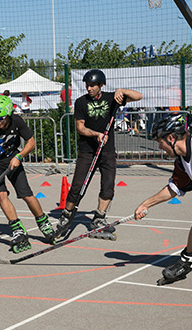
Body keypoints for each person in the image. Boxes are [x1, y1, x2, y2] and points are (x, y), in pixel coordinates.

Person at [56, 69, 143, 239]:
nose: (89, 88)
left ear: (101, 85)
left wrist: (122, 91)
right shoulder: (81, 102)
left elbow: (138, 96)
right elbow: (80, 127)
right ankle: (66, 216)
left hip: (107, 151)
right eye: (87, 85)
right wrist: (96, 134)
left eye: (92, 86)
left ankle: (99, 218)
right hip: (87, 151)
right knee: (77, 186)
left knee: (108, 186)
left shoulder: (112, 98)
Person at [134, 114, 192, 285]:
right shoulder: (182, 162)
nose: (160, 147)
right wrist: (145, 204)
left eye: (160, 142)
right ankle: (186, 262)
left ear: (171, 138)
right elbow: (174, 188)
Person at [0, 95, 55, 253]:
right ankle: (17, 229)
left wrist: (19, 157)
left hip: (14, 158)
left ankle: (43, 222)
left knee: (26, 194)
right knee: (1, 195)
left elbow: (31, 142)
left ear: (8, 115)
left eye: (1, 118)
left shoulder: (17, 121)